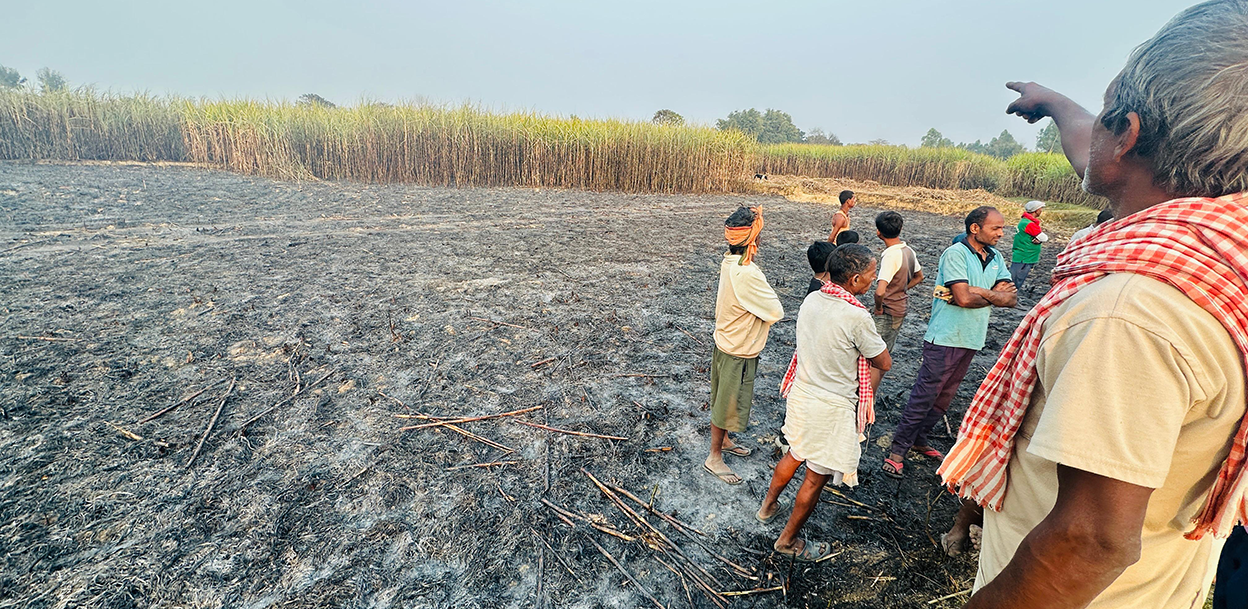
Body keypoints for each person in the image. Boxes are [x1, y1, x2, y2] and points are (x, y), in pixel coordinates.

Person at [939, 3, 1248, 607]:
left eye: (1104, 117)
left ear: (1128, 135)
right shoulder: (1218, 251)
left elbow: (1089, 541)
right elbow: (1097, 153)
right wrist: (1056, 103)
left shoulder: (1129, 312)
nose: (1092, 131)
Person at [757, 244, 891, 560]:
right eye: (872, 274)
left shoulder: (813, 299)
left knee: (794, 453)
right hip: (832, 406)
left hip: (802, 393)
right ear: (855, 280)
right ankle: (787, 541)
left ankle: (767, 508)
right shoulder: (856, 316)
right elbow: (883, 361)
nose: (874, 279)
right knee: (815, 478)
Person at [882, 206, 1017, 478]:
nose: (1001, 234)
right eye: (996, 228)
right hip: (945, 337)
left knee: (945, 396)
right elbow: (963, 298)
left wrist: (979, 291)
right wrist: (992, 296)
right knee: (925, 394)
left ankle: (920, 439)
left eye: (1002, 228)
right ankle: (897, 451)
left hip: (971, 338)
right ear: (975, 228)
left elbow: (1011, 298)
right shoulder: (955, 254)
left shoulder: (996, 257)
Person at [705, 206, 784, 486]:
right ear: (753, 238)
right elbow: (775, 311)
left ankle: (725, 440)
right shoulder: (747, 272)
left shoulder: (730, 261)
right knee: (726, 403)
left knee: (722, 396)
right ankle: (714, 457)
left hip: (726, 339)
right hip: (737, 347)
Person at [872, 211, 924, 354]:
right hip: (901, 306)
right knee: (887, 346)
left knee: (876, 351)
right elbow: (919, 276)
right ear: (900, 229)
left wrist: (878, 308)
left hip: (888, 309)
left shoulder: (890, 255)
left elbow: (880, 292)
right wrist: (901, 289)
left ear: (878, 232)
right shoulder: (908, 250)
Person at [1009, 200, 1050, 290]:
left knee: (1015, 279)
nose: (1041, 211)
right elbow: (1044, 237)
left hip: (1022, 255)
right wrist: (1040, 240)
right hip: (1025, 256)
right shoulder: (1030, 224)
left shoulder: (1024, 221)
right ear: (1035, 210)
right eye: (1040, 209)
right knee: (1016, 280)